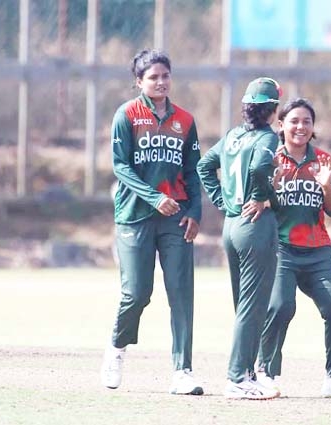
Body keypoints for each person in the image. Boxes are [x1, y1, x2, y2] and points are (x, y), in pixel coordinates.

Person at [100, 48, 203, 395]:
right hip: (135, 215)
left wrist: (195, 212)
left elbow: (192, 171)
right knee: (137, 293)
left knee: (181, 292)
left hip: (176, 218)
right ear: (139, 81)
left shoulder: (185, 120)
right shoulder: (126, 115)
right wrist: (154, 197)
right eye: (153, 77)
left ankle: (183, 370)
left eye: (165, 76)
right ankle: (116, 348)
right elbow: (121, 166)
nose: (161, 82)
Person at [255, 98, 331, 399]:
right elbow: (255, 200)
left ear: (313, 127)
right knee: (280, 306)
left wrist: (326, 186)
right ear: (281, 125)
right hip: (281, 249)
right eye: (294, 121)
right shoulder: (269, 158)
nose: (300, 127)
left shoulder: (324, 160)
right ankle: (265, 372)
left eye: (307, 122)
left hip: (317, 250)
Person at [197, 77, 283, 400]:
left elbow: (205, 166)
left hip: (232, 225)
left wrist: (224, 203)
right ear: (272, 110)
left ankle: (246, 372)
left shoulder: (233, 136)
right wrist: (262, 196)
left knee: (245, 305)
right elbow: (261, 167)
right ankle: (237, 378)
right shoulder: (267, 138)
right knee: (251, 305)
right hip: (254, 225)